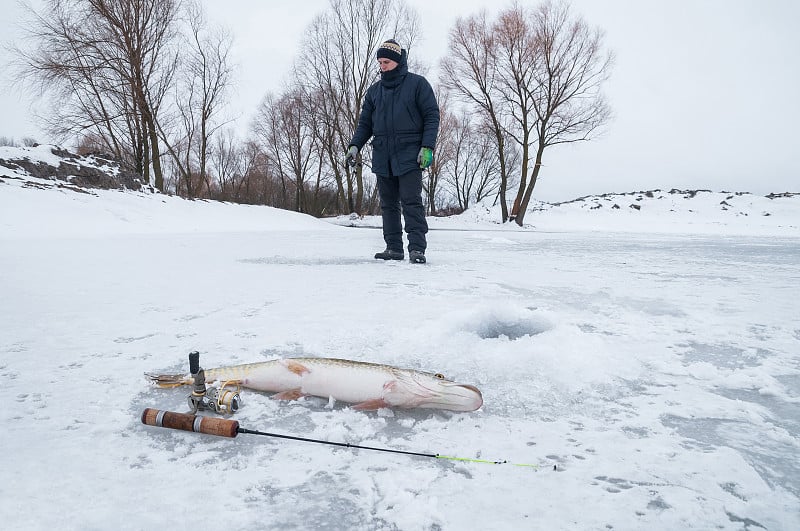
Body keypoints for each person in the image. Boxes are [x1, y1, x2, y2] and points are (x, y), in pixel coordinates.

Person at [345, 39, 440, 264]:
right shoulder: (374, 91)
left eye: (386, 61)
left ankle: (417, 248)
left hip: (410, 153)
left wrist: (427, 146)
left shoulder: (418, 85)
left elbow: (431, 116)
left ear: (397, 61)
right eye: (380, 62)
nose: (382, 66)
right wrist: (354, 146)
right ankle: (394, 248)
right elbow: (365, 124)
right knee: (388, 204)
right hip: (382, 154)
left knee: (410, 201)